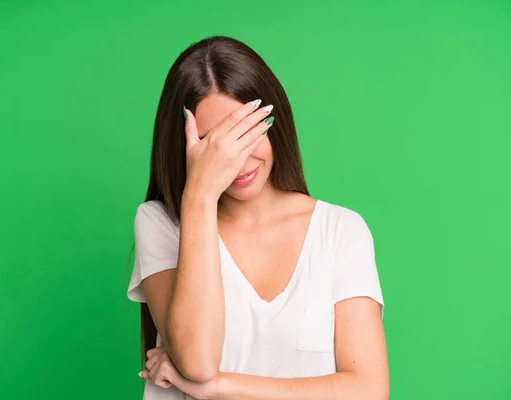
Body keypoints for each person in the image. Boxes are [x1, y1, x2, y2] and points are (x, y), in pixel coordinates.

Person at [127, 35, 388, 400]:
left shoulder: (340, 231)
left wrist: (217, 387)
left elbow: (367, 391)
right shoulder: (160, 223)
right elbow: (197, 361)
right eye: (212, 146)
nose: (238, 162)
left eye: (245, 135)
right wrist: (200, 195)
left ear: (273, 123)